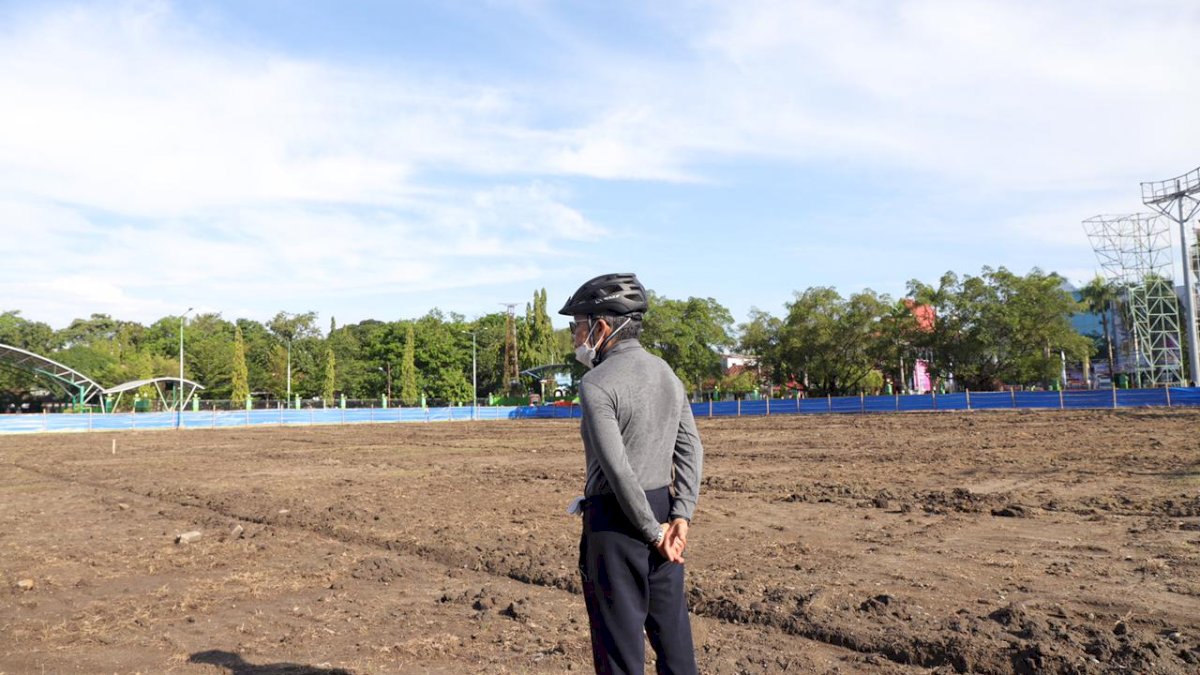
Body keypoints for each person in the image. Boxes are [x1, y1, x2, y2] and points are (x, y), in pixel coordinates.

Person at [560, 272, 704, 675]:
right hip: (662, 513)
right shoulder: (667, 373)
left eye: (578, 325)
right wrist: (680, 515)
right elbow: (691, 447)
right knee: (675, 642)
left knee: (619, 652)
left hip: (618, 522)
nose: (575, 336)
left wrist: (652, 531)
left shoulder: (596, 384)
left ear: (603, 326)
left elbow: (618, 470)